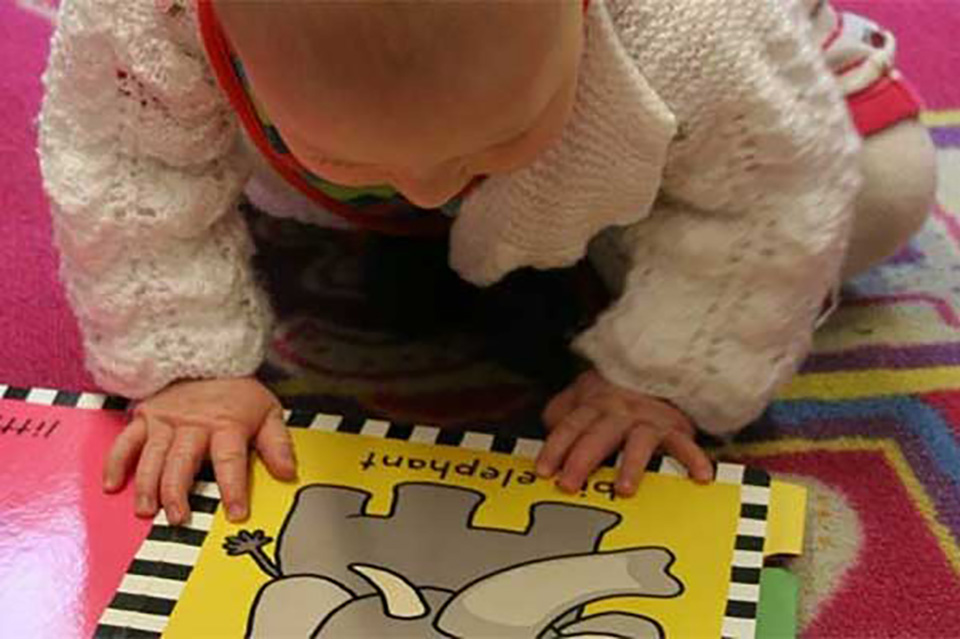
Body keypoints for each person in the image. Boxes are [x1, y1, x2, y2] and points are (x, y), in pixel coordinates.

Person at [38, 0, 936, 526]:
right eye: (357, 154)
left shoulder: (698, 29)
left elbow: (772, 191)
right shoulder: (146, 20)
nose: (428, 186)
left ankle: (576, 202)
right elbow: (125, 164)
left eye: (494, 141)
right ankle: (445, 158)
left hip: (697, 109)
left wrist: (668, 371)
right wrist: (186, 364)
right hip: (314, 139)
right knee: (188, 151)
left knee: (885, 187)